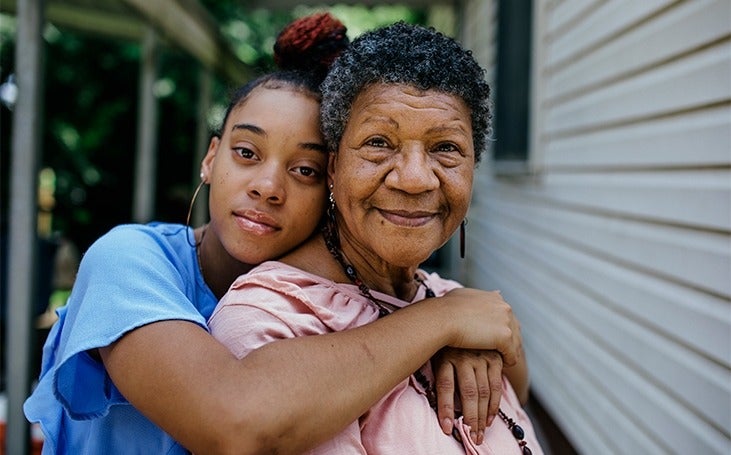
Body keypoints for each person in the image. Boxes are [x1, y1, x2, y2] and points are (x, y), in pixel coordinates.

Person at [24, 14, 524, 455]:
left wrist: (463, 333)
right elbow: (232, 423)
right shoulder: (129, 259)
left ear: (332, 181)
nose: (267, 187)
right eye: (246, 153)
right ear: (210, 157)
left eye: (304, 169)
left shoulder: (347, 298)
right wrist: (442, 321)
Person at [208, 22, 541, 454]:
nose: (416, 179)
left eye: (446, 148)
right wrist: (443, 325)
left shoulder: (452, 299)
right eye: (379, 142)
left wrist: (473, 338)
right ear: (333, 168)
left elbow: (521, 389)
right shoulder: (272, 318)